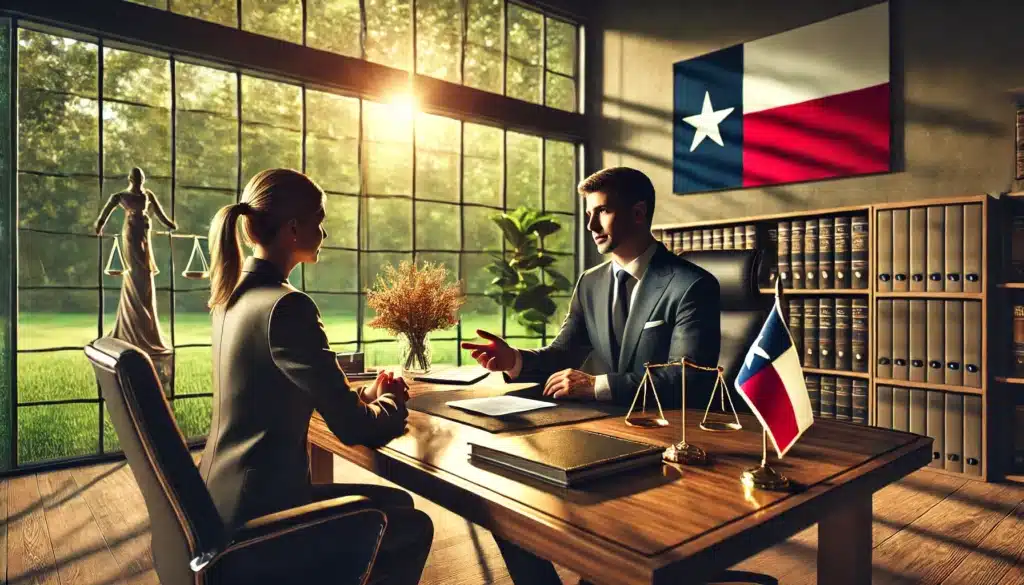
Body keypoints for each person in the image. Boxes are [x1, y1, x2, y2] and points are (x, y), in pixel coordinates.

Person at [462, 166, 722, 585]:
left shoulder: (692, 286)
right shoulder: (591, 282)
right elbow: (565, 351)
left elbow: (687, 379)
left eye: (601, 212)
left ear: (639, 214)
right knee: (505, 501)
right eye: (588, 213)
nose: (589, 225)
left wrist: (595, 385)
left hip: (665, 442)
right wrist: (514, 361)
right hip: (604, 432)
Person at [199, 168, 432, 585]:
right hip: (259, 522)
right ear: (292, 229)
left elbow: (279, 387)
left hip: (216, 508)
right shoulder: (288, 306)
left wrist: (362, 394)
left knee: (396, 504)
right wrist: (393, 399)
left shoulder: (230, 296)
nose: (323, 233)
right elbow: (354, 428)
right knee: (411, 525)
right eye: (319, 222)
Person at [94, 167, 177, 381]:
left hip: (144, 233)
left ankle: (145, 322)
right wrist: (100, 223)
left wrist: (170, 225)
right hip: (131, 233)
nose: (140, 182)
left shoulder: (148, 195)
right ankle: (131, 320)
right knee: (134, 272)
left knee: (146, 274)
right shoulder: (121, 196)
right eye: (136, 179)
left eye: (142, 179)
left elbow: (160, 214)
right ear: (131, 179)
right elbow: (107, 210)